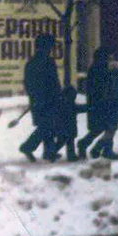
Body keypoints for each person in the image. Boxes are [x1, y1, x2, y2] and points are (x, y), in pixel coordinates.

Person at [19, 34, 61, 163]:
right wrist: (57, 94)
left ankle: (49, 153)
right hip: (48, 99)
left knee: (47, 125)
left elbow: (27, 83)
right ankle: (27, 147)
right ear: (47, 47)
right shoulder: (49, 61)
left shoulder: (30, 63)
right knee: (47, 126)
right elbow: (54, 82)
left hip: (37, 100)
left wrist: (34, 96)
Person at [77, 47, 115, 160]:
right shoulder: (101, 70)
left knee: (100, 128)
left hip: (97, 103)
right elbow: (104, 87)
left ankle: (89, 146)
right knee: (108, 127)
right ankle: (94, 147)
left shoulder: (95, 69)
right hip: (102, 103)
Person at [53, 84, 86, 162]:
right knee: (69, 142)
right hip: (69, 128)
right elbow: (80, 108)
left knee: (61, 142)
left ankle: (51, 153)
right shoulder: (70, 104)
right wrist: (90, 107)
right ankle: (70, 156)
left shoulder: (61, 103)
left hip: (61, 127)